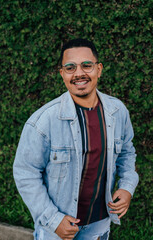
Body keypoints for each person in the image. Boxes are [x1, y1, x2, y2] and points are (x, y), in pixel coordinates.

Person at [13, 38, 139, 240]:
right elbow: (25, 173)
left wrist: (127, 186)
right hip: (58, 230)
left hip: (98, 225)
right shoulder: (43, 122)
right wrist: (53, 219)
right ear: (62, 73)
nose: (79, 73)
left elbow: (126, 152)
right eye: (70, 67)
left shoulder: (118, 112)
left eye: (86, 65)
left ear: (99, 69)